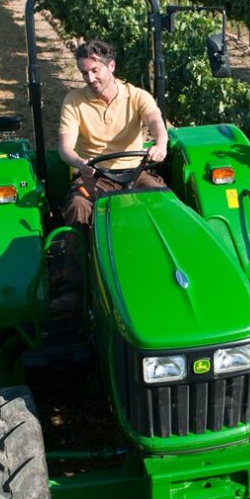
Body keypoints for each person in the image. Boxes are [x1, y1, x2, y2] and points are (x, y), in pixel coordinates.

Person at [50, 39, 169, 314]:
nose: (89, 78)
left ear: (110, 66)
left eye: (94, 70)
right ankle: (73, 287)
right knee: (78, 208)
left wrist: (160, 144)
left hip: (135, 171)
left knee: (162, 201)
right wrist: (81, 163)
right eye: (84, 73)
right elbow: (65, 148)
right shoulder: (74, 101)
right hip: (94, 175)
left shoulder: (137, 96)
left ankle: (165, 272)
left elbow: (155, 123)